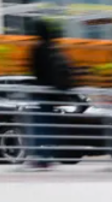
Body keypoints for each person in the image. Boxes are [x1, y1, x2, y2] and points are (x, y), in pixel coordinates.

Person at [27, 20, 75, 168]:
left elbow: (34, 71)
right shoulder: (54, 48)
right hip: (54, 94)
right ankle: (47, 156)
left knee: (39, 125)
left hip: (41, 93)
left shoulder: (38, 49)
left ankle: (41, 157)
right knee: (48, 125)